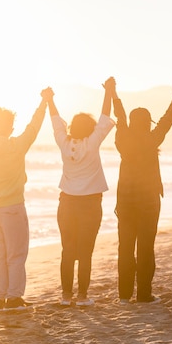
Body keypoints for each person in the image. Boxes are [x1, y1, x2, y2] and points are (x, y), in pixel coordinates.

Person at [0, 87, 48, 311]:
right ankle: (13, 298)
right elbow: (34, 127)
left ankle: (0, 298)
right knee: (16, 254)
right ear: (11, 128)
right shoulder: (16, 145)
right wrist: (43, 102)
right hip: (13, 208)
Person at [44, 83, 115, 306]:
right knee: (85, 252)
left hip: (66, 203)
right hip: (90, 204)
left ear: (73, 127)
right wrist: (109, 92)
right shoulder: (92, 143)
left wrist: (49, 100)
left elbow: (56, 122)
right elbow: (105, 118)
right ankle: (82, 296)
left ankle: (66, 296)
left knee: (68, 250)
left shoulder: (64, 143)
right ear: (90, 129)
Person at [110, 77, 172, 304]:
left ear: (132, 122)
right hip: (148, 201)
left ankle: (123, 296)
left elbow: (119, 118)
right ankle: (143, 294)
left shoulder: (123, 139)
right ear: (147, 123)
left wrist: (113, 93)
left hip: (125, 201)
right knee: (146, 247)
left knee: (126, 247)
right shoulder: (151, 139)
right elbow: (167, 120)